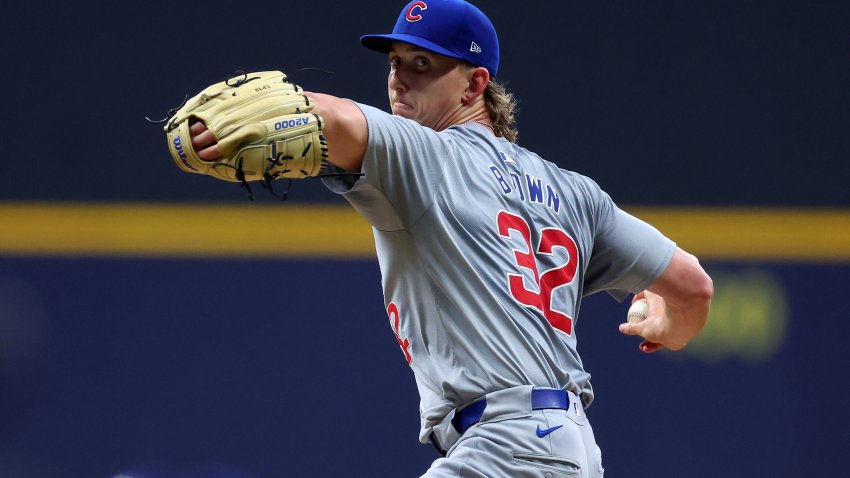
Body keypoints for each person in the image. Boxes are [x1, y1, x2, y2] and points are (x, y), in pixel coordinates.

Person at [189, 0, 713, 476]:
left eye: (424, 65)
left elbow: (335, 117)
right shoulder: (577, 194)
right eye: (394, 62)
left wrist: (274, 114)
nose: (399, 80)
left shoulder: (427, 155)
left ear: (474, 84)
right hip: (570, 453)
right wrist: (670, 327)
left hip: (506, 450)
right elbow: (693, 286)